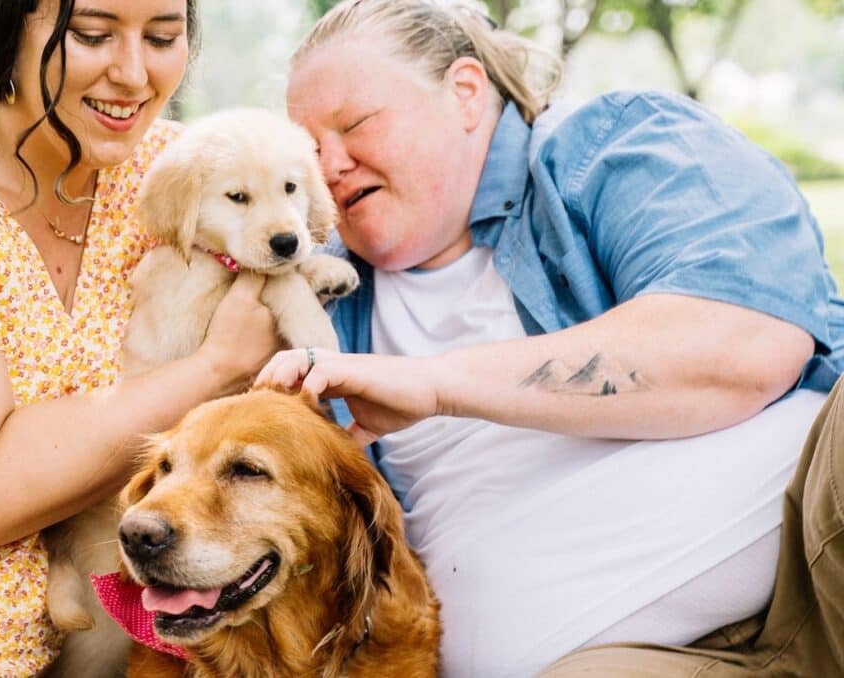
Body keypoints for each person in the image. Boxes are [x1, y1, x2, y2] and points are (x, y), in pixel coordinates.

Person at [255, 0, 844, 675]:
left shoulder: (610, 148)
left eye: (356, 124)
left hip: (813, 556)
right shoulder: (313, 302)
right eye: (309, 151)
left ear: (467, 94)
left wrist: (437, 383)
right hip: (630, 656)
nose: (329, 166)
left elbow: (742, 347)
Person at [0, 1, 278, 675]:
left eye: (162, 36)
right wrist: (214, 367)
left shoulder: (175, 173)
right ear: (8, 22)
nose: (133, 72)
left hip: (98, 642)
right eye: (92, 35)